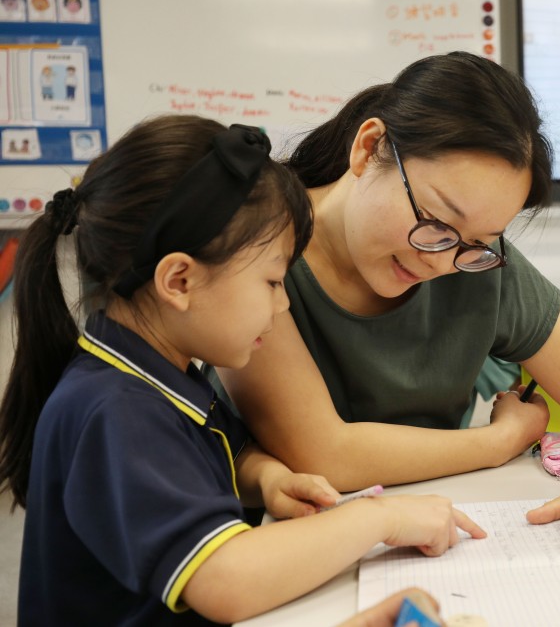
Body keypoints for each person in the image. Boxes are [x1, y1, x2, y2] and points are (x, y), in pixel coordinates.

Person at [0, 115, 485, 625]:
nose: (281, 307)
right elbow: (224, 578)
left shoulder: (156, 370)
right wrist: (379, 518)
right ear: (180, 280)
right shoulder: (116, 411)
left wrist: (269, 480)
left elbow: (226, 451)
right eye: (273, 281)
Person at [214, 51, 560, 552]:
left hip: (437, 537)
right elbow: (323, 452)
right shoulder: (263, 251)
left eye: (479, 240)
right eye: (435, 222)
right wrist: (495, 443)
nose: (441, 262)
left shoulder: (476, 262)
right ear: (370, 147)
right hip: (286, 549)